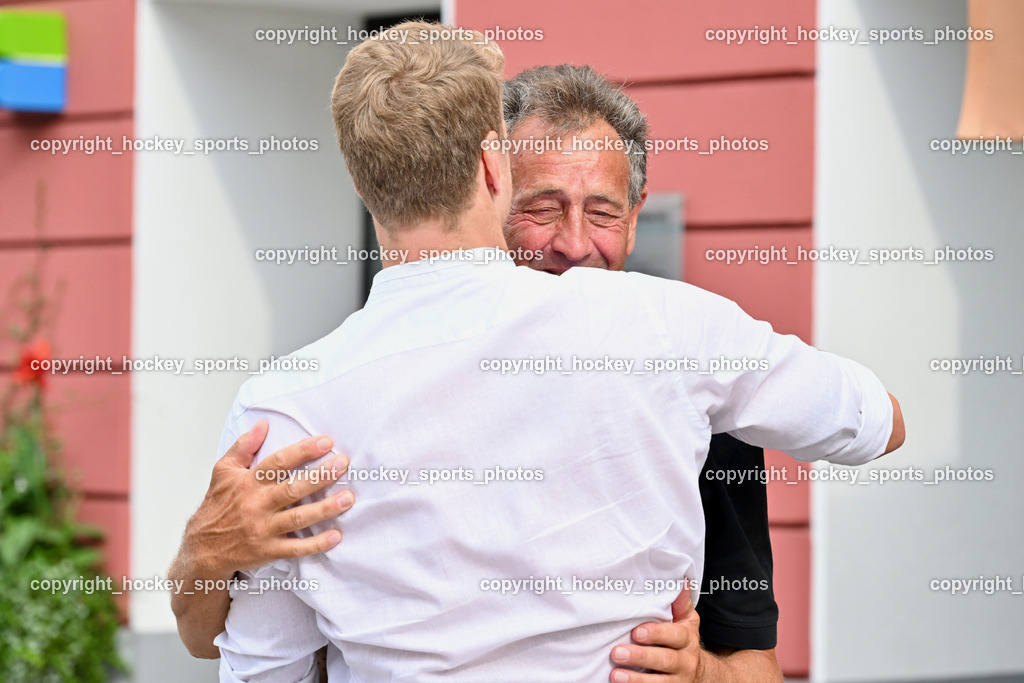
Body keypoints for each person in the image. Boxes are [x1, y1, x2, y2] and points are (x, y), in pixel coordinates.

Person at [178, 22, 905, 683]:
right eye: (544, 207)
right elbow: (876, 421)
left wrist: (701, 674)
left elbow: (263, 666)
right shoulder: (683, 338)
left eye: (603, 213)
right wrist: (205, 557)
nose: (574, 243)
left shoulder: (290, 405)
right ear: (495, 175)